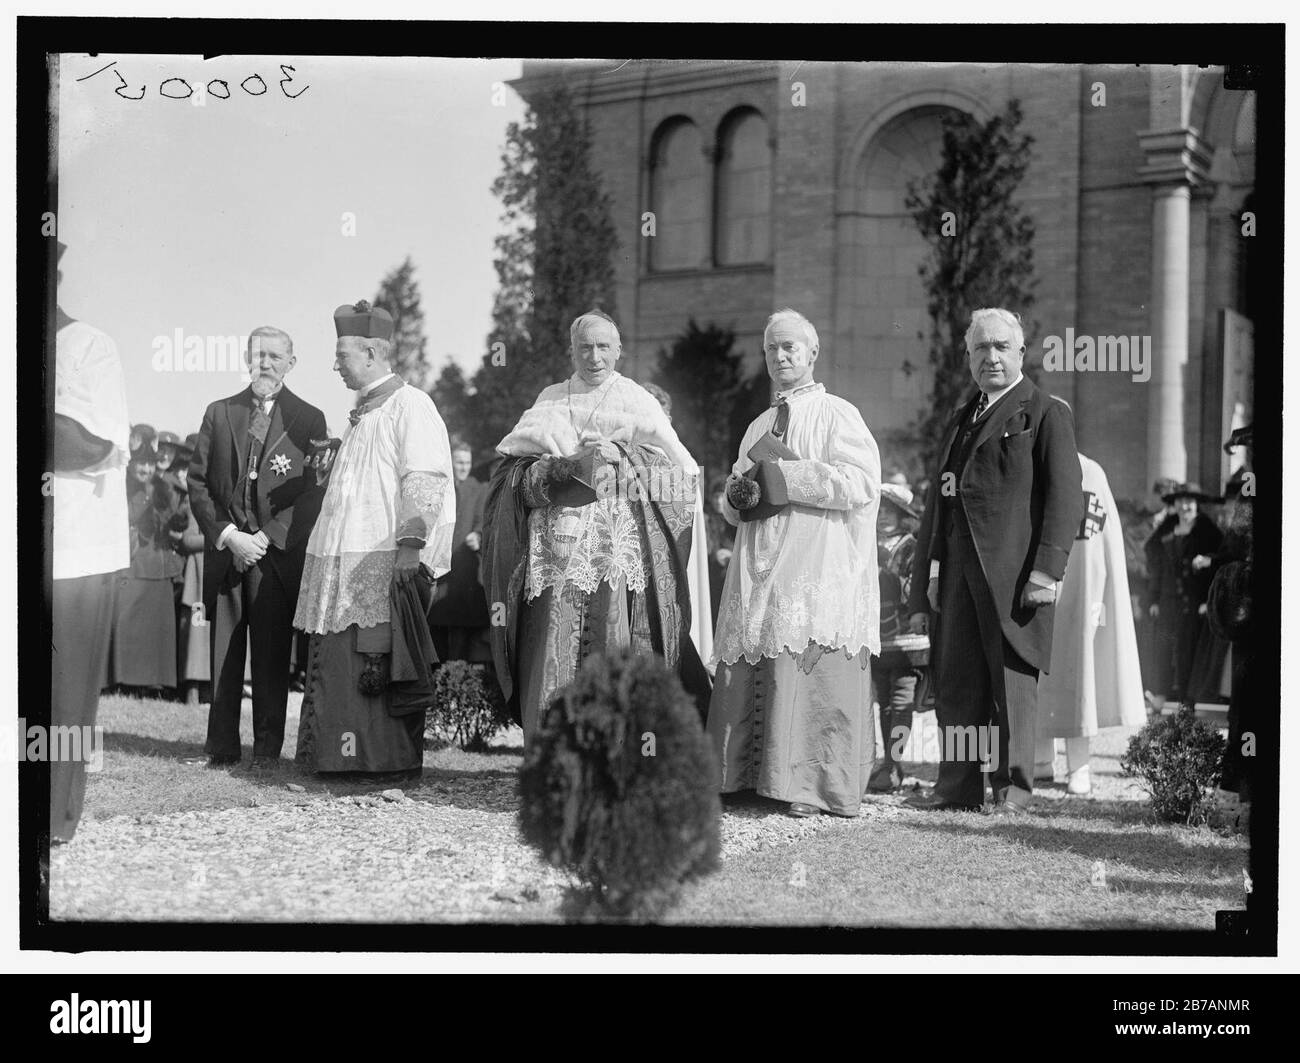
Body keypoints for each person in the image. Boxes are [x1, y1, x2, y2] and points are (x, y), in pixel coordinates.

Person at [483, 309, 709, 741]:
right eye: (585, 346)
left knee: (612, 635)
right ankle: (553, 750)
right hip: (555, 548)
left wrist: (621, 457)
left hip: (611, 548)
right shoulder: (549, 398)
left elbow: (679, 483)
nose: (594, 356)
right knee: (550, 637)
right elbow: (508, 477)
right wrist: (548, 470)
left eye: (604, 346)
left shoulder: (637, 401)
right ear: (572, 350)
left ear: (619, 351)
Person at [904, 307, 1083, 814]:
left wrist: (1047, 572)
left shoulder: (1045, 412)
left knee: (1011, 691)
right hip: (959, 579)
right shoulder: (961, 419)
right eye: (980, 348)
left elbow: (1065, 499)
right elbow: (938, 509)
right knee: (958, 686)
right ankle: (955, 789)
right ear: (968, 357)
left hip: (1015, 578)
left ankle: (1012, 795)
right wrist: (931, 575)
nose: (991, 357)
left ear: (1020, 353)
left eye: (1001, 346)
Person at [707, 308, 881, 818]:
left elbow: (860, 482)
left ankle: (810, 784)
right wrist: (733, 496)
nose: (780, 357)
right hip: (760, 570)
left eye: (790, 348)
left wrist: (790, 477)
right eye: (771, 349)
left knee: (804, 660)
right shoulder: (758, 424)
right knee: (753, 655)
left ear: (812, 352)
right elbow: (737, 497)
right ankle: (745, 777)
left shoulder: (838, 414)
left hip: (814, 567)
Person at [294, 300, 455, 778]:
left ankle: (379, 762)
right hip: (343, 553)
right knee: (340, 653)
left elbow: (424, 480)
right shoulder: (359, 413)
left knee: (375, 652)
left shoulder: (412, 405)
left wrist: (411, 547)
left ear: (370, 352)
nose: (336, 364)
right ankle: (332, 758)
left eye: (341, 355)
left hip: (385, 556)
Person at [187, 326, 327, 768]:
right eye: (257, 354)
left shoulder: (309, 418)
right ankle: (222, 747)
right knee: (225, 654)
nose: (264, 363)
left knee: (270, 655)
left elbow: (314, 493)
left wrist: (265, 538)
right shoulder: (219, 412)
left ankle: (267, 750)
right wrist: (230, 537)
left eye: (274, 356)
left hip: (273, 558)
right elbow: (198, 483)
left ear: (291, 362)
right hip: (229, 552)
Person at [50, 242, 132, 843]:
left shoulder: (89, 347)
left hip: (78, 551)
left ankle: (53, 818)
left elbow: (90, 444)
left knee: (65, 695)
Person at [1034, 449, 1146, 795]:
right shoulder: (1033, 462)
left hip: (1084, 590)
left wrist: (1106, 596)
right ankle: (1040, 760)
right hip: (1038, 587)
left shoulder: (1091, 472)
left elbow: (1106, 538)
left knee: (1078, 678)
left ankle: (1078, 766)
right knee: (1036, 675)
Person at [106, 444, 182, 693]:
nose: (145, 468)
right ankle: (123, 679)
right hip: (132, 560)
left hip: (157, 562)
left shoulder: (164, 489)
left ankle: (153, 681)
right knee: (126, 620)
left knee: (156, 624)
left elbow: (175, 519)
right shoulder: (121, 486)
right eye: (140, 462)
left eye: (150, 463)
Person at [870, 482, 929, 793]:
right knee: (883, 703)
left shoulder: (911, 547)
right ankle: (889, 764)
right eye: (879, 511)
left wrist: (892, 575)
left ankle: (893, 763)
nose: (882, 517)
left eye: (890, 512)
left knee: (901, 699)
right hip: (877, 636)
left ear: (903, 516)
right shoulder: (866, 542)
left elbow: (915, 588)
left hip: (907, 639)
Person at [1147, 482, 1223, 707]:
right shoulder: (1167, 528)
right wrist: (1153, 598)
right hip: (1167, 600)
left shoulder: (1208, 530)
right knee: (1162, 648)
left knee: (1186, 651)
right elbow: (1155, 562)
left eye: (1189, 501)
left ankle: (1186, 702)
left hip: (1193, 602)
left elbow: (1220, 561)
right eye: (1180, 501)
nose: (1185, 506)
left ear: (1197, 504)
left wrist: (1207, 600)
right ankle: (1159, 698)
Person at [427, 443, 492, 664]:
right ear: (451, 462)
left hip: (465, 572)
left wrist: (478, 535)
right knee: (437, 631)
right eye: (459, 462)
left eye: (467, 462)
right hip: (441, 572)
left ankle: (458, 687)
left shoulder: (479, 488)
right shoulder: (440, 488)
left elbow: (485, 522)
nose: (464, 467)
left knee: (464, 636)